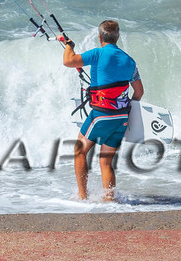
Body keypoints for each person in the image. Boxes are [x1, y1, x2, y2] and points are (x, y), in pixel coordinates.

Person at [59, 19, 142, 201]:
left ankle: (82, 197)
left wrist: (68, 45)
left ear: (99, 37)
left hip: (101, 115)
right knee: (105, 161)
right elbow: (139, 92)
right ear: (117, 36)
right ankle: (109, 200)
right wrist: (125, 110)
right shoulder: (130, 61)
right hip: (121, 118)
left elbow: (68, 61)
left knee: (79, 151)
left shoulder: (97, 54)